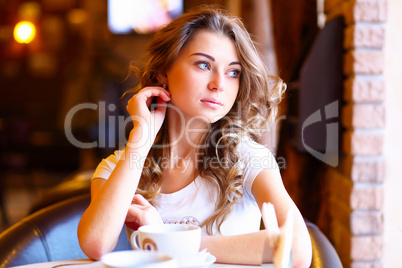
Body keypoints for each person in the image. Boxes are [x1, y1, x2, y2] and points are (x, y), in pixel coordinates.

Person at [78, 5, 312, 267]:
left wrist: (169, 239)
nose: (219, 84)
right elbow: (95, 244)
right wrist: (140, 140)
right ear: (163, 72)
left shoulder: (250, 159)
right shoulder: (118, 167)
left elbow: (297, 249)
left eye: (233, 72)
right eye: (203, 64)